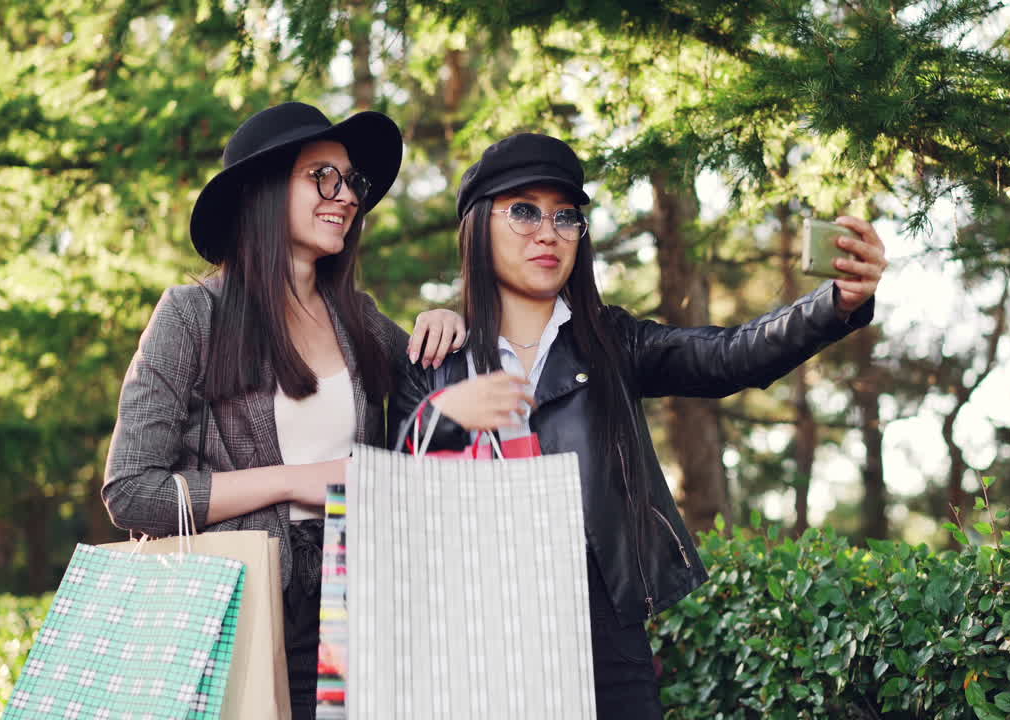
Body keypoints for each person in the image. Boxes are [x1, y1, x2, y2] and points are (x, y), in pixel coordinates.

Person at [389, 133, 887, 717]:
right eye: (522, 211)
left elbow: (730, 356)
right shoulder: (435, 357)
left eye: (565, 216)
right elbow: (394, 500)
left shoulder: (613, 340)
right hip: (472, 632)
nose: (547, 232)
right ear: (477, 226)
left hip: (605, 628)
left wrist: (836, 304)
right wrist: (446, 418)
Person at [102, 102, 466, 719]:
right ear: (264, 189)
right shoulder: (192, 315)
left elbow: (438, 414)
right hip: (243, 603)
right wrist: (300, 482)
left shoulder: (361, 319)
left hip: (357, 602)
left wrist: (444, 323)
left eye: (352, 181)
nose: (346, 196)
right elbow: (131, 492)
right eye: (322, 175)